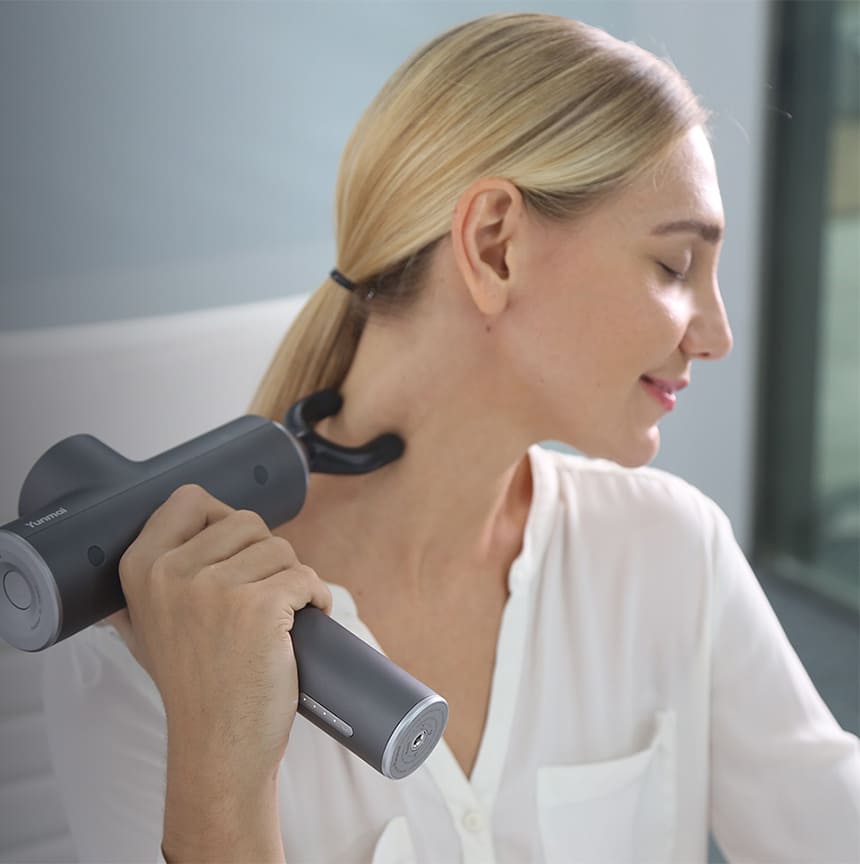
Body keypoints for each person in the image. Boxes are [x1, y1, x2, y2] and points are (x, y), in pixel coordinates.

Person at [41, 11, 860, 864]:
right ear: (495, 245)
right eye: (675, 266)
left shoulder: (671, 553)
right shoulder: (167, 636)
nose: (717, 335)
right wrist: (220, 769)